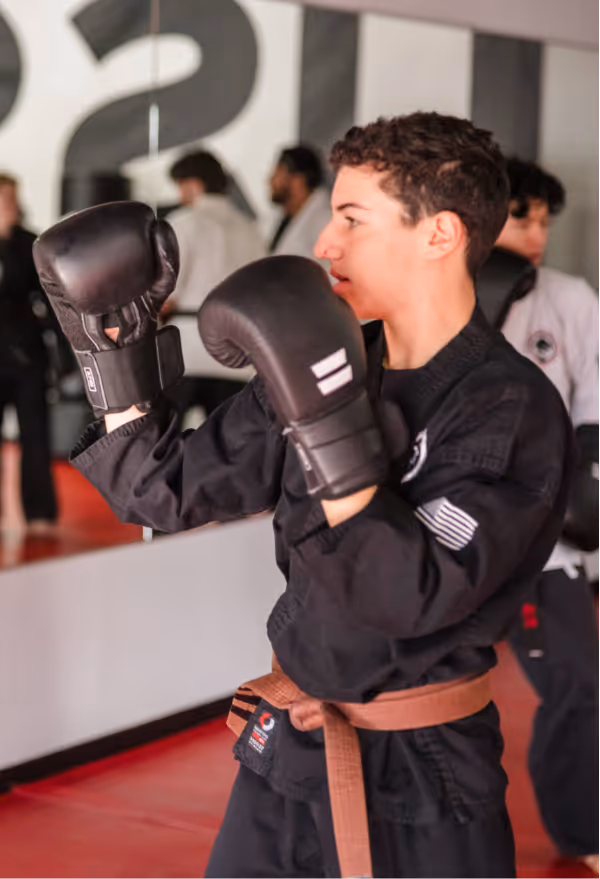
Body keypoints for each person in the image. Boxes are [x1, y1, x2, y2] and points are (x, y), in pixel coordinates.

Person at [32, 113, 573, 879]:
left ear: (440, 235)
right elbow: (163, 492)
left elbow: (406, 596)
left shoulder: (506, 406)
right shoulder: (330, 358)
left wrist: (325, 422)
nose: (325, 244)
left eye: (352, 219)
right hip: (287, 749)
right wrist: (113, 348)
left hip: (422, 781)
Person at [491, 157, 599, 874]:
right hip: (451, 537)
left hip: (546, 545)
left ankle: (581, 829)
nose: (538, 233)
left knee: (578, 681)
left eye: (544, 220)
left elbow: (592, 403)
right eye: (523, 215)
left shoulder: (569, 297)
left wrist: (579, 495)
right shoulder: (437, 301)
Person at [165, 150, 266, 423]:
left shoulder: (182, 223)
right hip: (237, 355)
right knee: (231, 449)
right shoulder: (251, 229)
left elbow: (166, 293)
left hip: (186, 351)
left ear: (194, 184)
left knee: (165, 445)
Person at [0, 173, 57, 532]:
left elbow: (49, 300)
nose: (8, 202)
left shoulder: (30, 243)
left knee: (35, 433)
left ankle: (39, 513)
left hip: (27, 355)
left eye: (11, 196)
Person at [268, 145, 331, 269]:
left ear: (298, 180)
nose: (270, 180)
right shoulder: (285, 221)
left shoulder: (325, 221)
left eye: (277, 172)